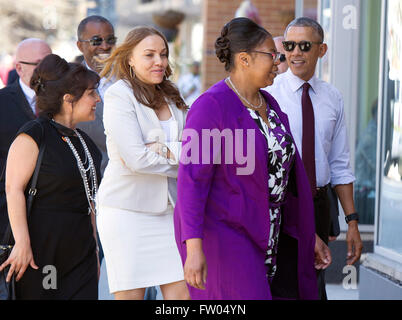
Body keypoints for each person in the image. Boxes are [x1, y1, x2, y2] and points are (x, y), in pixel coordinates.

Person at [174, 17, 331, 300]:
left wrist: (309, 238)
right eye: (272, 54)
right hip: (225, 235)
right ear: (244, 59)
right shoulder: (210, 107)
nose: (278, 61)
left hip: (268, 234)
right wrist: (193, 248)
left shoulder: (269, 105)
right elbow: (192, 183)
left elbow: (287, 180)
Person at [265, 17, 363, 300]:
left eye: (305, 46)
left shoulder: (333, 97)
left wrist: (352, 222)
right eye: (290, 46)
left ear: (322, 50)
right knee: (284, 287)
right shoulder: (269, 95)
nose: (295, 53)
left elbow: (340, 164)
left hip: (319, 204)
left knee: (313, 284)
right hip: (282, 205)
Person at [96, 26, 190, 300]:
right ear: (130, 60)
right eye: (149, 55)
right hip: (127, 212)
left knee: (183, 296)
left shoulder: (174, 96)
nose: (159, 61)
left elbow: (194, 148)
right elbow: (136, 158)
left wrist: (165, 149)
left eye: (162, 54)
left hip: (171, 214)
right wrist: (183, 162)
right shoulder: (119, 95)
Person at [0, 54, 102, 299]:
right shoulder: (35, 134)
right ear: (69, 100)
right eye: (91, 93)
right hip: (42, 249)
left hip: (81, 250)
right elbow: (13, 188)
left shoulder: (85, 143)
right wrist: (22, 244)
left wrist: (95, 250)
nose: (97, 99)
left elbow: (90, 201)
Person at [0, 39, 51, 242]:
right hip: (8, 211)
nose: (47, 70)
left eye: (50, 62)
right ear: (19, 68)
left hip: (54, 210)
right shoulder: (2, 102)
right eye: (39, 64)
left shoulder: (65, 101)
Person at [76, 15, 117, 176]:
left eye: (110, 40)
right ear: (80, 46)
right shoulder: (69, 86)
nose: (105, 46)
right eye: (96, 41)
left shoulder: (132, 79)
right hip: (90, 184)